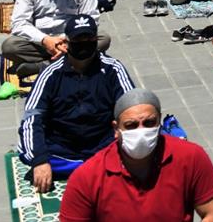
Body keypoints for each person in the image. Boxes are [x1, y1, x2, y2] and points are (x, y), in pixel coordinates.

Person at [57, 87, 213, 222]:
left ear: (160, 122)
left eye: (149, 123)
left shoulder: (192, 157)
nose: (141, 131)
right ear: (116, 129)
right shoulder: (86, 178)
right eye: (131, 125)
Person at [17, 15, 134, 193]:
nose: (84, 43)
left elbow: (131, 108)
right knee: (30, 152)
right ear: (67, 41)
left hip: (104, 144)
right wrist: (40, 161)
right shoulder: (50, 74)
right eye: (78, 39)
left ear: (96, 40)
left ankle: (95, 166)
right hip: (62, 149)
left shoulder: (112, 69)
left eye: (89, 38)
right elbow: (32, 119)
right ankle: (91, 168)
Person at [3, 0, 108, 77]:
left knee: (103, 39)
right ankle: (70, 60)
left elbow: (91, 19)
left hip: (73, 39)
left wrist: (66, 40)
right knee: (10, 47)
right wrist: (45, 40)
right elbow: (19, 23)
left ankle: (43, 65)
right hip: (41, 41)